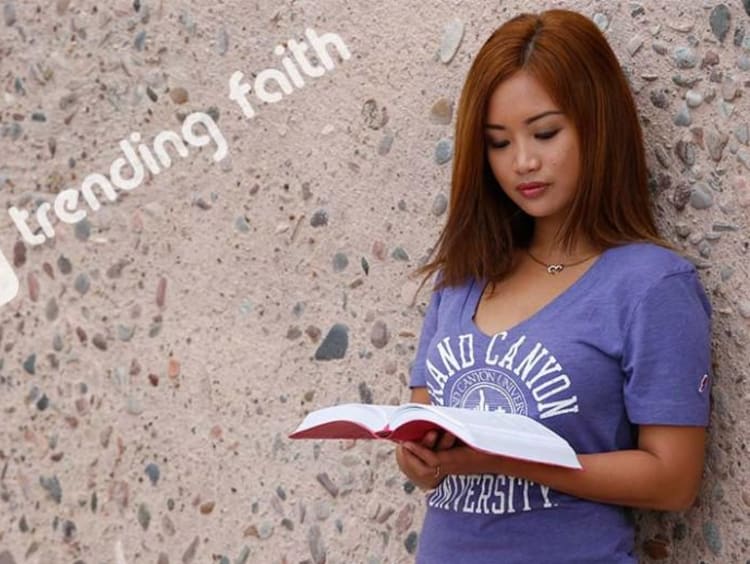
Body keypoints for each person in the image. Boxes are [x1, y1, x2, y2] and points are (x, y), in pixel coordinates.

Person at [394, 8, 713, 564]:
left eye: (545, 132)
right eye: (497, 142)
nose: (523, 161)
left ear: (598, 124)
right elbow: (421, 443)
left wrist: (504, 458)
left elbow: (672, 479)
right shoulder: (464, 277)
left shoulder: (650, 285)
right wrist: (415, 458)